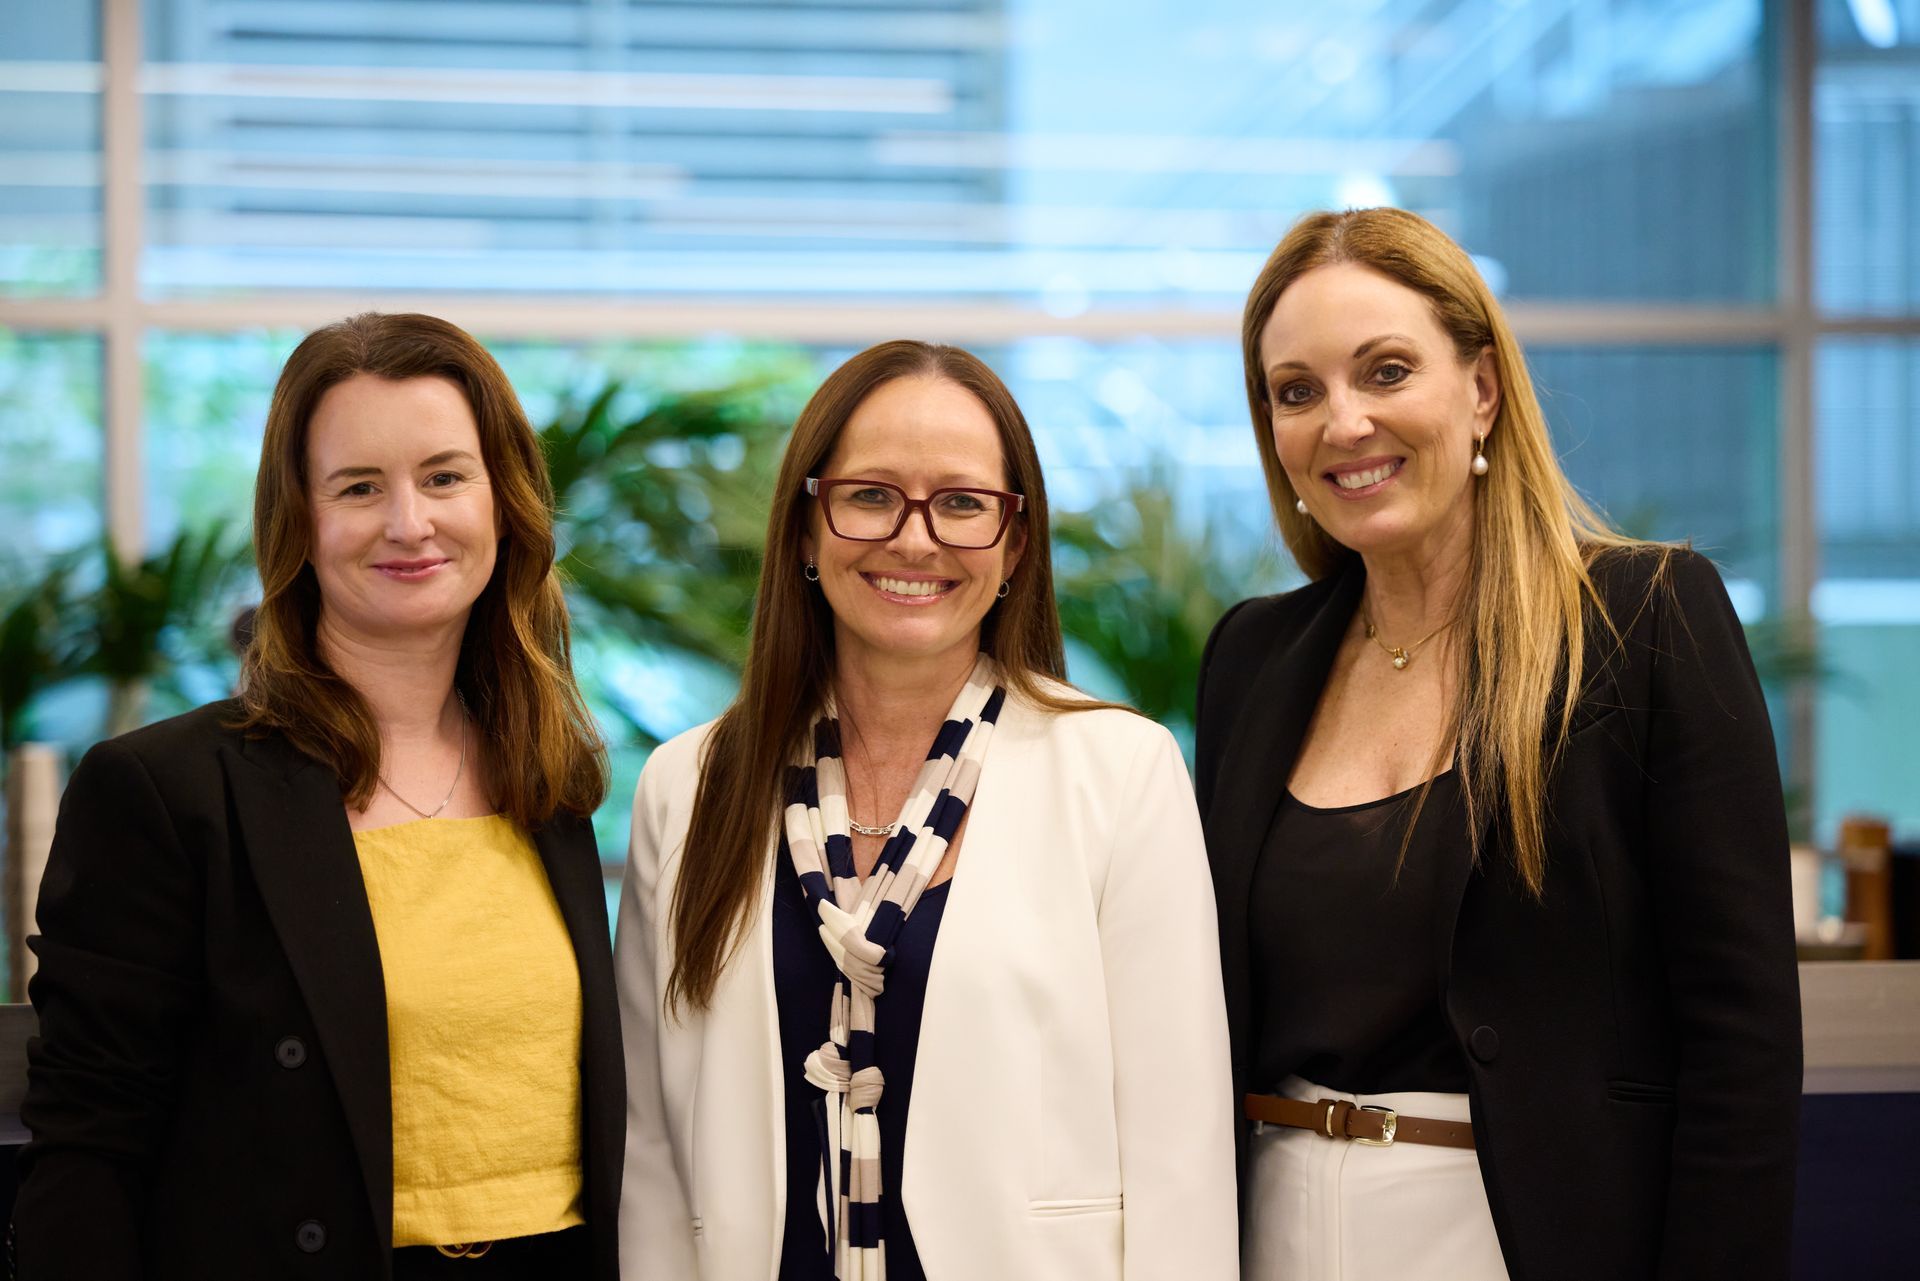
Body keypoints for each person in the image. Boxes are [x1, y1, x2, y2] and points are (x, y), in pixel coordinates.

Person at [1196, 209, 1801, 1281]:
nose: (1343, 422)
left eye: (1385, 372)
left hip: (1527, 1238)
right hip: (1273, 1235)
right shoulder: (1252, 659)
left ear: (1481, 389)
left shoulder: (1645, 619)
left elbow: (1741, 1045)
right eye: (1297, 391)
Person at [14, 313, 624, 1280]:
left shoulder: (547, 781)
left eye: (444, 476)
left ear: (502, 504)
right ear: (299, 519)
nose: (409, 523)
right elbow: (88, 1151)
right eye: (358, 487)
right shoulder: (166, 791)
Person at [616, 340, 1237, 1281]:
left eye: (962, 504)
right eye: (871, 496)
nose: (916, 538)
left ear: (1016, 543)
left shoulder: (1120, 772)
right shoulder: (688, 783)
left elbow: (1180, 1156)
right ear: (806, 529)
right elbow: (654, 1151)